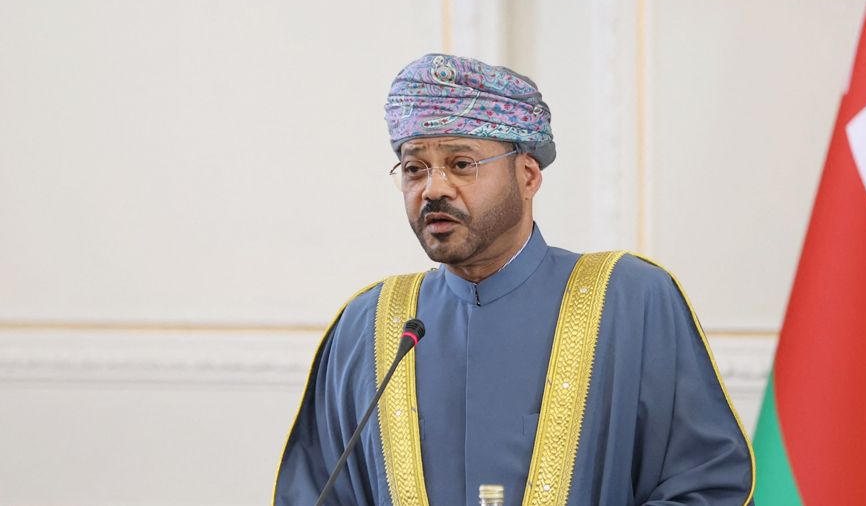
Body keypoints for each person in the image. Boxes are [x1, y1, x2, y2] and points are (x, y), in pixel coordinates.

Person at [273, 54, 755, 506]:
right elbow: (315, 491)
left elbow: (707, 486)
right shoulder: (370, 324)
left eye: (461, 165)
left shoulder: (630, 299)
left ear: (528, 176)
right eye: (415, 168)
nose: (434, 189)